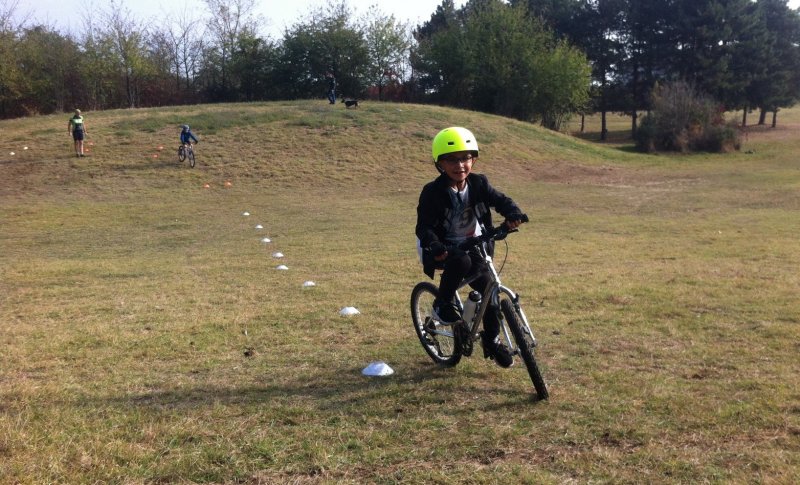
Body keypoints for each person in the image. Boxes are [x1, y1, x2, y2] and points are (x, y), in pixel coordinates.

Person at [415, 127, 525, 368]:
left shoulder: (479, 183)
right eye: (451, 159)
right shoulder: (432, 192)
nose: (460, 165)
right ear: (440, 163)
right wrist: (434, 245)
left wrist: (512, 213)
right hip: (441, 246)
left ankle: (492, 340)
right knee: (460, 261)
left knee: (489, 288)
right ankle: (442, 303)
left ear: (473, 159)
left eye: (465, 158)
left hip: (474, 243)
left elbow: (500, 200)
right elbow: (424, 227)